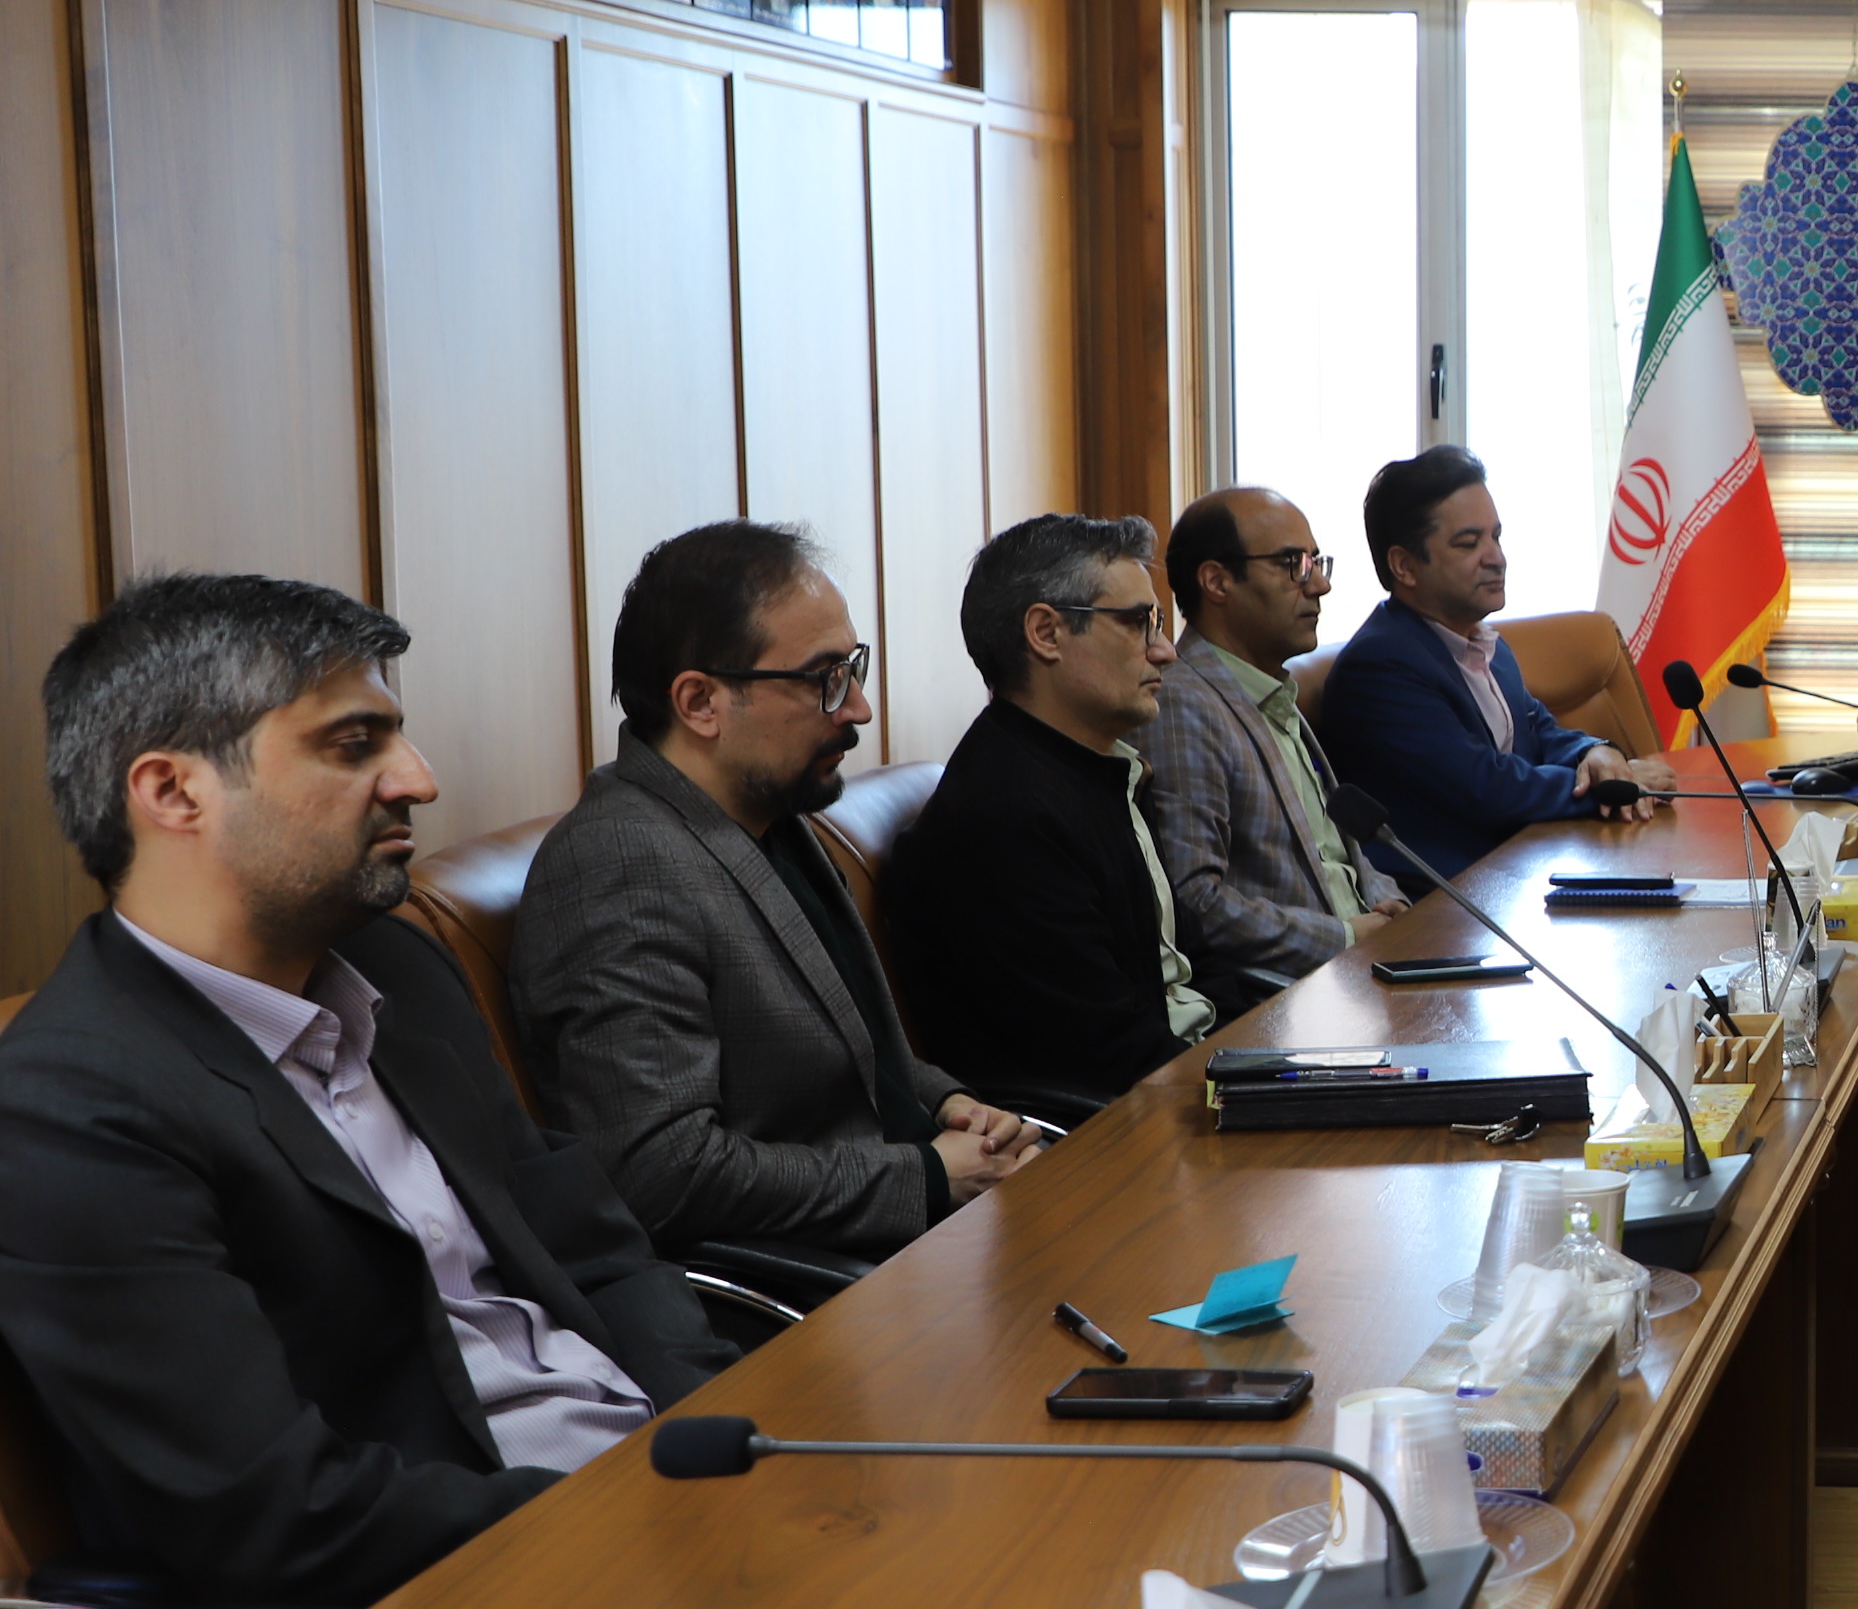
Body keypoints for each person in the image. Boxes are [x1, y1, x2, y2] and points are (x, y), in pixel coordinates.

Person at [0, 576, 723, 1609]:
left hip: (668, 1494)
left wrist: (722, 1432)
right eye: (353, 744)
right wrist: (618, 1513)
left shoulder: (399, 968)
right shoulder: (71, 1106)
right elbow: (272, 1513)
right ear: (174, 792)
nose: (418, 779)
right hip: (474, 1596)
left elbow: (595, 1247)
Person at [513, 523, 1037, 1278]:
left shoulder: (772, 817)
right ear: (701, 702)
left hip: (914, 1244)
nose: (857, 708)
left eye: (853, 668)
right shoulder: (620, 865)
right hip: (818, 1289)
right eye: (824, 678)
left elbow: (851, 1054)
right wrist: (925, 1175)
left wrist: (949, 1105)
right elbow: (661, 1172)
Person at [887, 515, 1219, 1120]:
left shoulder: (1101, 768)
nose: (1165, 650)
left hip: (1190, 1080)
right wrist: (1259, 1083)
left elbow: (1198, 967)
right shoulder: (1002, 818)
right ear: (1046, 633)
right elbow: (1107, 1057)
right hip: (1124, 1133)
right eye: (1138, 623)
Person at [1316, 446, 1680, 889]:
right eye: (1469, 543)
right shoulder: (1380, 667)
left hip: (1521, 870)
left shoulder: (1484, 642)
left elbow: (1540, 730)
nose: (1496, 558)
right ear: (1404, 565)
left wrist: (1597, 753)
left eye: (1496, 537)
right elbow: (1486, 788)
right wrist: (1613, 787)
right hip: (1445, 903)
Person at [1144, 486, 1393, 1003]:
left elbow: (1335, 854)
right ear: (1217, 581)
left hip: (1362, 972)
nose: (1319, 584)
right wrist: (1345, 937)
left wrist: (1390, 905)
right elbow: (1195, 901)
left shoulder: (1271, 689)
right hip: (1289, 999)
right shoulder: (1182, 705)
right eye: (1292, 564)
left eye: (1317, 562)